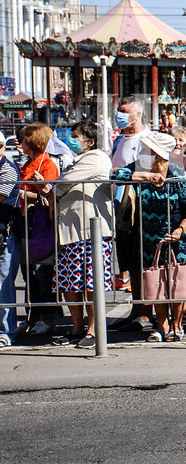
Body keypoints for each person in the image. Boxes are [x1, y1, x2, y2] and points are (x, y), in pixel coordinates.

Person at [112, 132, 186, 342]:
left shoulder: (178, 174)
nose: (142, 154)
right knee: (156, 280)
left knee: (177, 282)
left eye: (147, 151)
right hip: (150, 236)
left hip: (179, 237)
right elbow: (114, 175)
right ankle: (162, 325)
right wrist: (145, 176)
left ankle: (177, 325)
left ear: (159, 155)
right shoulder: (139, 169)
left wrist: (180, 230)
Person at [48, 121, 114, 348]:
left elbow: (64, 183)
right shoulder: (77, 159)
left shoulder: (95, 158)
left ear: (90, 140)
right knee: (70, 283)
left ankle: (94, 330)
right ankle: (76, 328)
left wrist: (52, 192)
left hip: (90, 233)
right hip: (70, 233)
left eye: (76, 136)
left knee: (90, 283)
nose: (71, 139)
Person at [110, 96, 152, 331]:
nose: (120, 114)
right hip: (121, 207)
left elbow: (146, 172)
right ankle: (136, 308)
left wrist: (122, 174)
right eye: (118, 110)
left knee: (141, 261)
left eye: (124, 111)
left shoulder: (147, 139)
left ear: (137, 114)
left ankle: (145, 312)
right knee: (129, 262)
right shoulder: (119, 140)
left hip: (140, 209)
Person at [18, 123, 61, 335]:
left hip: (41, 223)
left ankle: (48, 317)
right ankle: (33, 316)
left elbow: (51, 192)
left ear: (33, 141)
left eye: (24, 139)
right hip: (27, 222)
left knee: (44, 273)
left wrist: (27, 195)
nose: (20, 143)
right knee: (29, 274)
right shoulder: (27, 163)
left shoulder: (47, 164)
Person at [0, 132, 21, 347]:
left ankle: (6, 331)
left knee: (4, 284)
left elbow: (1, 196)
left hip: (5, 234)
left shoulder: (6, 168)